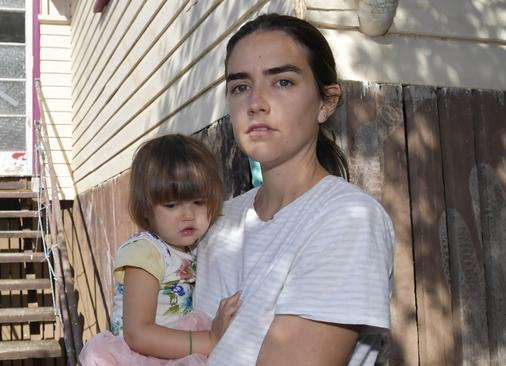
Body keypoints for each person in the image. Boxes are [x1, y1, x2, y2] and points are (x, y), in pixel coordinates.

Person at [194, 14, 395, 366]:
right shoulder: (218, 221)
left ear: (325, 102)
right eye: (240, 86)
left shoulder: (346, 220)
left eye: (282, 82)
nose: (255, 102)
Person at [79, 134, 241, 365]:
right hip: (139, 357)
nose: (188, 215)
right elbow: (137, 333)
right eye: (172, 205)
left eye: (199, 202)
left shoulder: (194, 244)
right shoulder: (145, 252)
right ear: (146, 208)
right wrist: (210, 339)